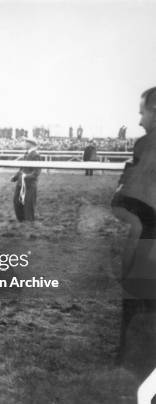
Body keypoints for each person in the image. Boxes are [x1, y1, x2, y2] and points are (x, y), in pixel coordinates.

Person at [111, 86, 156, 377]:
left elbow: (128, 199)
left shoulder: (147, 144)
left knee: (137, 296)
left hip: (148, 237)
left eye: (142, 112)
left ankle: (128, 360)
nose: (139, 120)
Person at [11, 138, 41, 222]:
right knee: (17, 202)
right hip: (21, 183)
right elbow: (22, 168)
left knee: (29, 204)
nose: (24, 144)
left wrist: (25, 176)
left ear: (30, 144)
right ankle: (21, 221)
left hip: (29, 184)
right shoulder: (27, 154)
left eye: (25, 143)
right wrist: (15, 177)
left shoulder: (36, 155)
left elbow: (36, 172)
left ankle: (29, 223)